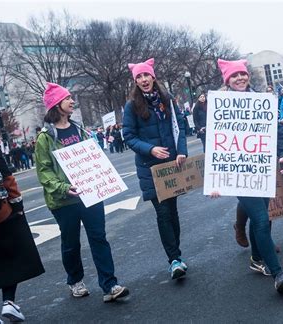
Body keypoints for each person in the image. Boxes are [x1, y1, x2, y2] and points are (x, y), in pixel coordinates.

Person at [35, 83, 129, 302]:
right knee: (71, 243)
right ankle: (75, 280)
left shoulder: (80, 130)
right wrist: (64, 188)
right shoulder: (45, 138)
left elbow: (93, 157)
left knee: (99, 238)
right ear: (56, 105)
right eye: (67, 98)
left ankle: (110, 285)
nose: (72, 101)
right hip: (64, 200)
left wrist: (102, 175)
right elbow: (44, 171)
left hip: (90, 194)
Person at [213, 58, 283, 293]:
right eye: (234, 76)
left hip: (262, 168)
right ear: (227, 80)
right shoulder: (220, 106)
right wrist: (215, 179)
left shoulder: (262, 101)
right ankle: (277, 273)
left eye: (242, 74)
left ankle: (257, 259)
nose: (240, 78)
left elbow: (277, 130)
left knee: (265, 219)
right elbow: (215, 144)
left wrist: (282, 155)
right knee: (259, 219)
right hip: (238, 172)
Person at [122, 58, 189, 280]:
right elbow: (128, 137)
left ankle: (176, 254)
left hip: (172, 165)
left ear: (153, 77)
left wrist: (181, 151)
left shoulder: (167, 100)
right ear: (136, 81)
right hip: (150, 168)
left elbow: (179, 125)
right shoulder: (132, 106)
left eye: (146, 75)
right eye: (139, 77)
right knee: (162, 214)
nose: (143, 80)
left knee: (173, 212)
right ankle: (174, 260)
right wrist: (150, 149)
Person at [0, 140, 44, 323]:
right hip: (0, 214)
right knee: (11, 260)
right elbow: (8, 179)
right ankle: (9, 302)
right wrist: (18, 207)